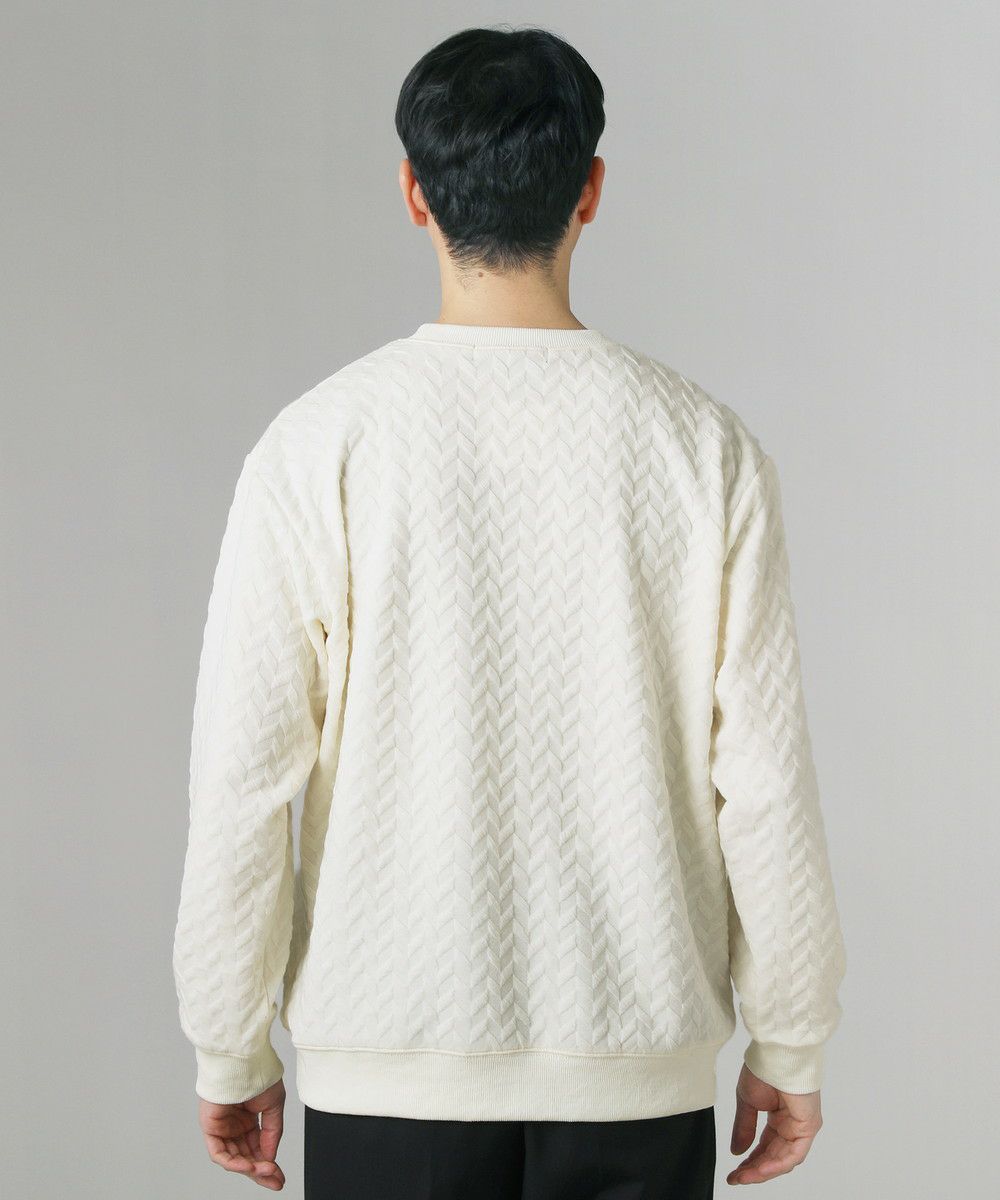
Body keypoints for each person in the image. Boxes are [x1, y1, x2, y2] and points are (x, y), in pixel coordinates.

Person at [171, 23, 847, 1198]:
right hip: (637, 1067)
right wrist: (789, 1039)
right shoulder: (704, 450)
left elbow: (244, 774)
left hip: (388, 1067)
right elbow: (766, 779)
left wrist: (230, 1043)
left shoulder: (319, 445)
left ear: (412, 193)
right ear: (590, 190)